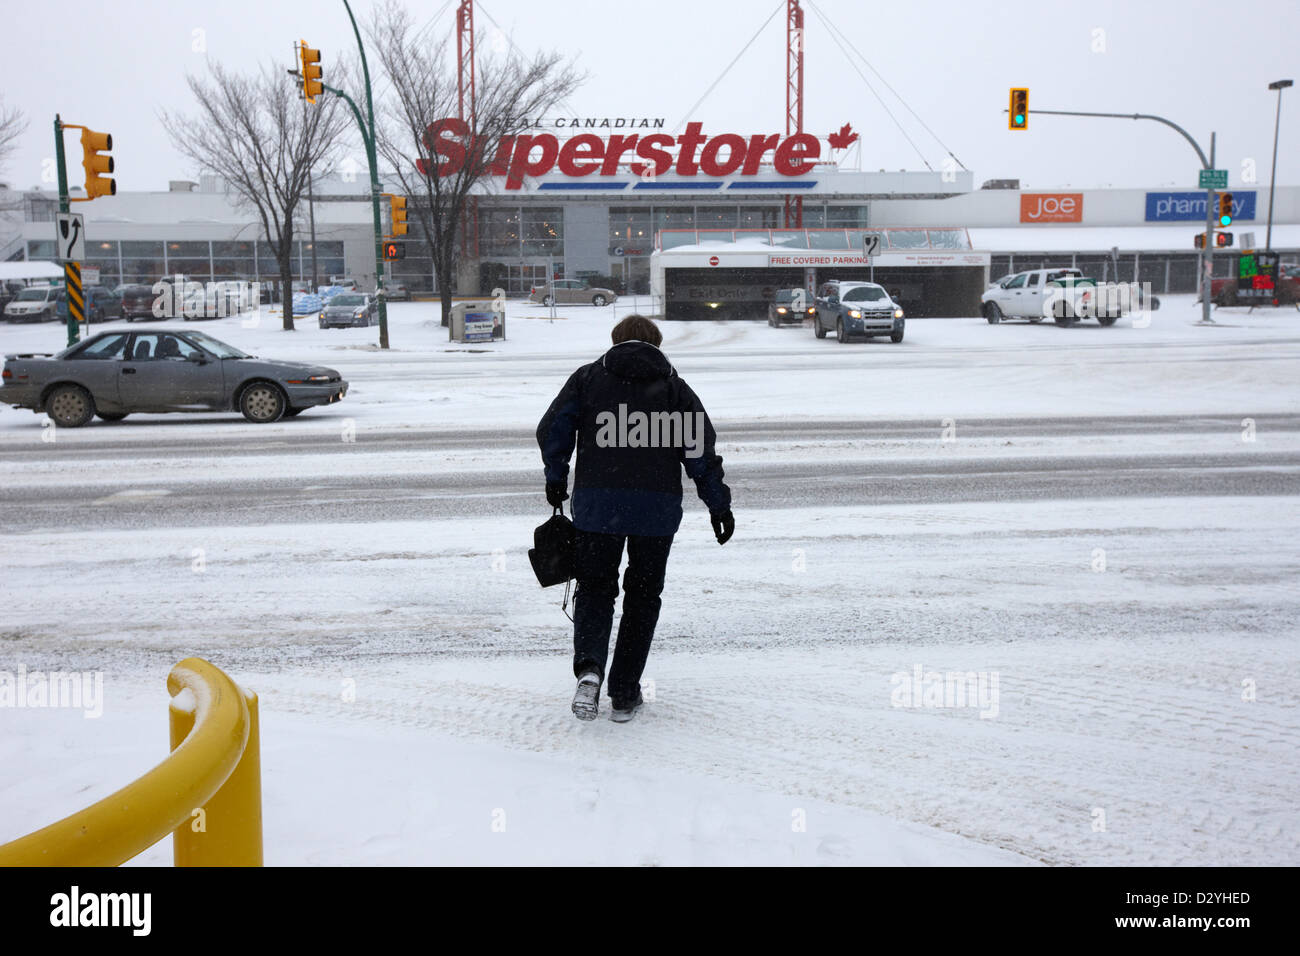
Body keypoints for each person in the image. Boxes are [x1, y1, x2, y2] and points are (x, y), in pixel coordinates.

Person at [536, 314, 733, 722]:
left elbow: (553, 429)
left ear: (615, 341)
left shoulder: (588, 379)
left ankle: (590, 668)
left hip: (597, 509)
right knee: (642, 598)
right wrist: (718, 505)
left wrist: (556, 477)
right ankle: (624, 694)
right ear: (656, 344)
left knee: (595, 589)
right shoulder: (675, 390)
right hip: (656, 513)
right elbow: (700, 453)